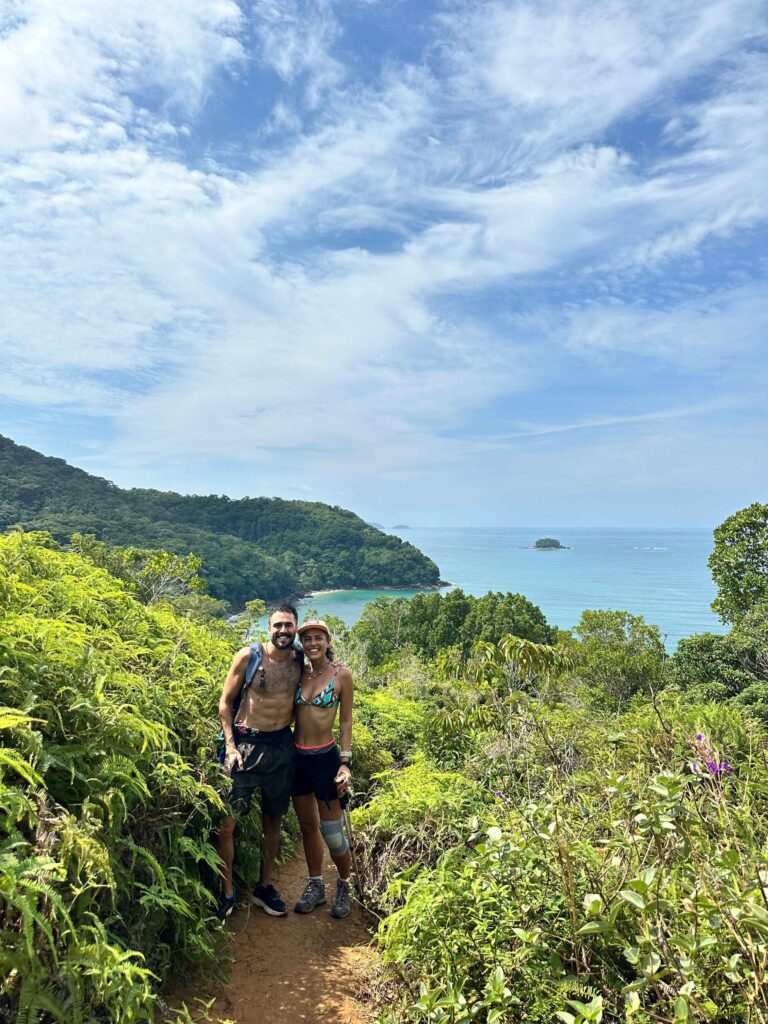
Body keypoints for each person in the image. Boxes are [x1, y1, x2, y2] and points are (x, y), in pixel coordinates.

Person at [215, 602, 303, 924]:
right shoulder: (248, 657)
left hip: (281, 748)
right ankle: (226, 892)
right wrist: (230, 746)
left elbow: (323, 675)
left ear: (296, 628)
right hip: (245, 748)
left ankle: (263, 887)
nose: (283, 630)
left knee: (273, 824)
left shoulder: (300, 661)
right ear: (268, 628)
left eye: (288, 625)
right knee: (227, 825)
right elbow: (225, 703)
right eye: (278, 625)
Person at [291, 618, 354, 919]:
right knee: (307, 826)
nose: (312, 643)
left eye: (318, 638)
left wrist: (345, 761)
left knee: (332, 833)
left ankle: (345, 883)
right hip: (297, 758)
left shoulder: (341, 675)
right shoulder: (298, 674)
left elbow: (345, 720)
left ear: (328, 641)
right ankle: (316, 885)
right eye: (307, 639)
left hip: (326, 757)